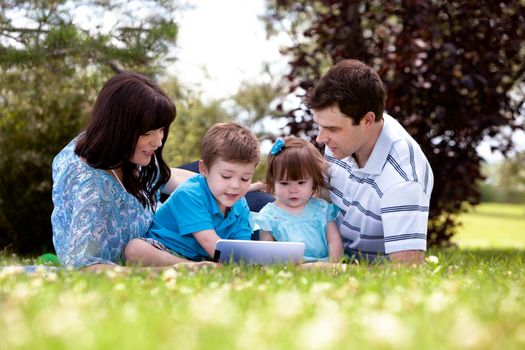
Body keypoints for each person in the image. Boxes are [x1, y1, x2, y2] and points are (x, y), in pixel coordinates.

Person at [51, 72, 205, 270]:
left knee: (227, 183)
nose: (158, 141)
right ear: (119, 128)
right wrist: (178, 268)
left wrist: (217, 189)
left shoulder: (125, 153)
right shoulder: (93, 190)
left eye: (161, 130)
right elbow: (83, 266)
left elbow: (170, 178)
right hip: (159, 240)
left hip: (160, 212)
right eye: (148, 133)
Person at [304, 59, 434, 264]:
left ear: (367, 121)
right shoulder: (343, 141)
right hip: (330, 246)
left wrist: (334, 269)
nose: (321, 139)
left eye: (332, 129)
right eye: (320, 126)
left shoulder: (403, 178)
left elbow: (407, 272)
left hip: (361, 265)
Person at [124, 122, 260, 264]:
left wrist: (245, 261)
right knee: (135, 249)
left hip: (203, 255)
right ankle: (191, 267)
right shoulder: (190, 194)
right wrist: (235, 264)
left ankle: (203, 266)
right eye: (226, 176)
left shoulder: (241, 204)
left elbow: (242, 244)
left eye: (245, 178)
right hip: (165, 249)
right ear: (204, 169)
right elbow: (208, 240)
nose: (235, 186)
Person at [255, 136, 344, 263]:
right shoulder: (268, 215)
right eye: (285, 183)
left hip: (322, 266)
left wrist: (334, 265)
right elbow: (266, 253)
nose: (293, 190)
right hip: (289, 269)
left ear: (313, 181)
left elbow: (333, 240)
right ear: (273, 181)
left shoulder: (322, 209)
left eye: (301, 182)